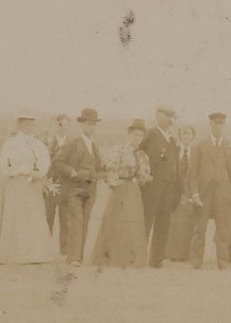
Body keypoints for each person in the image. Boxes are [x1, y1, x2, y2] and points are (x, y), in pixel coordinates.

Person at [0, 113, 54, 265]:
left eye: (31, 124)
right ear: (20, 125)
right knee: (16, 219)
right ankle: (13, 255)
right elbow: (4, 165)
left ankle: (35, 255)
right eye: (26, 124)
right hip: (16, 184)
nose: (29, 127)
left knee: (33, 218)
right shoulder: (11, 143)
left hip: (33, 186)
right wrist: (20, 171)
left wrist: (38, 172)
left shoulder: (38, 144)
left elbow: (45, 162)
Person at [84, 120, 151, 268]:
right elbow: (110, 167)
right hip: (121, 189)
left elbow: (145, 175)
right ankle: (115, 257)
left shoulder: (142, 155)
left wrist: (141, 178)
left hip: (134, 191)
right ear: (129, 134)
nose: (137, 138)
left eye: (140, 135)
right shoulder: (119, 150)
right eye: (135, 134)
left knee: (134, 223)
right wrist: (115, 181)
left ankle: (133, 258)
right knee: (118, 222)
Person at [184, 113, 231, 269]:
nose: (218, 127)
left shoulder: (230, 147)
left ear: (224, 126)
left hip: (223, 195)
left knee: (223, 230)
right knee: (199, 229)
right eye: (215, 124)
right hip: (203, 195)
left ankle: (223, 262)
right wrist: (194, 194)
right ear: (210, 125)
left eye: (221, 124)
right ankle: (196, 261)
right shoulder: (200, 146)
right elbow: (192, 174)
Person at [54, 109, 103, 265]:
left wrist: (104, 174)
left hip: (90, 190)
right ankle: (73, 257)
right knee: (76, 220)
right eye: (89, 124)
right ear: (82, 124)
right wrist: (73, 172)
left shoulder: (94, 146)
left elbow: (98, 167)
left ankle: (78, 256)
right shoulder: (72, 143)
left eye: (94, 124)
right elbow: (58, 161)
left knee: (85, 222)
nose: (92, 127)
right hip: (75, 189)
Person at [140, 106, 183, 267]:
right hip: (152, 187)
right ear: (158, 116)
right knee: (147, 221)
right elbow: (141, 155)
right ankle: (139, 256)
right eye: (167, 116)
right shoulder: (151, 135)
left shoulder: (172, 139)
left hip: (169, 188)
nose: (170, 120)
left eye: (172, 117)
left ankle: (156, 260)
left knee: (164, 224)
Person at [164, 125, 201, 263]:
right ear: (180, 136)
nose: (186, 136)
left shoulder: (197, 151)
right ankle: (171, 253)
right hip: (175, 191)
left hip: (191, 191)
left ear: (193, 136)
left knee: (189, 222)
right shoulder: (175, 150)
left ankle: (186, 254)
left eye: (189, 134)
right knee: (174, 221)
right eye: (183, 134)